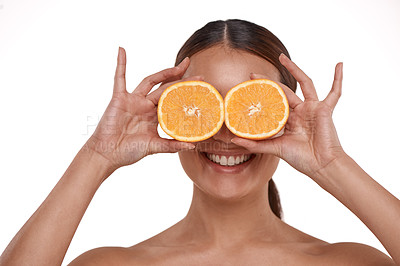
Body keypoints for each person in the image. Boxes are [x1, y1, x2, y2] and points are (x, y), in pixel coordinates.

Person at [0, 19, 398, 266]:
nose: (225, 134)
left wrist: (331, 163)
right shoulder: (110, 264)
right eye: (201, 106)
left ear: (288, 117)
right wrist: (96, 156)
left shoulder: (352, 262)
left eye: (249, 107)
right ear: (168, 113)